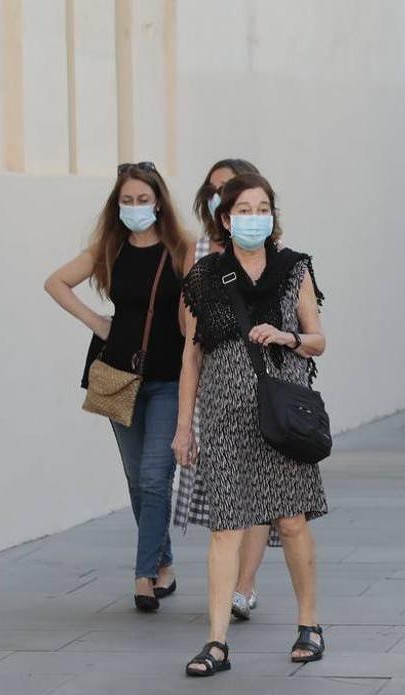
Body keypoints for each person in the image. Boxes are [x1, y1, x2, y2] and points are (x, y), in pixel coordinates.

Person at [174, 172, 329, 676]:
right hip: (223, 414)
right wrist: (184, 427)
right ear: (225, 218)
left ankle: (309, 624)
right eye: (244, 209)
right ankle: (216, 642)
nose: (254, 217)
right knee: (226, 526)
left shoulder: (294, 268)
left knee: (290, 518)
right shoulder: (204, 276)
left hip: (282, 412)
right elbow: (191, 358)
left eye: (262, 208)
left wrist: (286, 337)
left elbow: (318, 340)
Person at [44, 162, 190, 612]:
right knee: (136, 478)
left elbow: (194, 312)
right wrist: (97, 322)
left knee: (154, 476)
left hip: (168, 379)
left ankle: (144, 575)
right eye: (126, 200)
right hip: (117, 376)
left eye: (142, 200)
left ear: (158, 201)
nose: (134, 207)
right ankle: (162, 561)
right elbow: (56, 283)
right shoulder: (110, 248)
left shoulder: (180, 250)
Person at [176, 157, 278, 622]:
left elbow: (305, 331)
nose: (227, 198)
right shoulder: (199, 255)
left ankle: (244, 584)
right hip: (216, 389)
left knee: (261, 495)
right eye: (219, 191)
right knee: (226, 497)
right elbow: (188, 334)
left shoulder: (283, 260)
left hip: (267, 391)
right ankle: (219, 621)